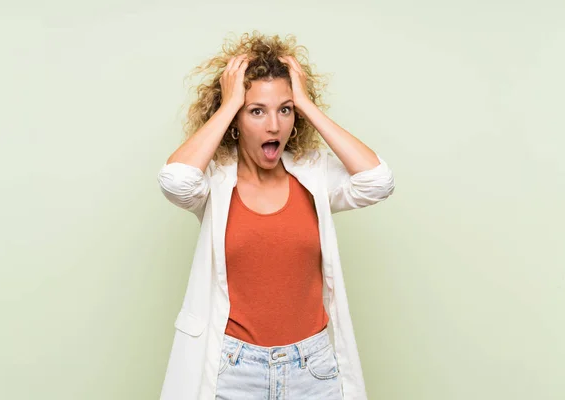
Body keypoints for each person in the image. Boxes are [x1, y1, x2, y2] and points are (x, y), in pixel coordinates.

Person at [157, 31, 395, 400]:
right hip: (232, 370)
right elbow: (175, 180)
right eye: (256, 111)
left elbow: (377, 182)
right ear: (236, 120)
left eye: (284, 110)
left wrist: (306, 104)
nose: (274, 125)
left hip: (312, 369)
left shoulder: (314, 175)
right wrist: (229, 103)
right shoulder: (215, 183)